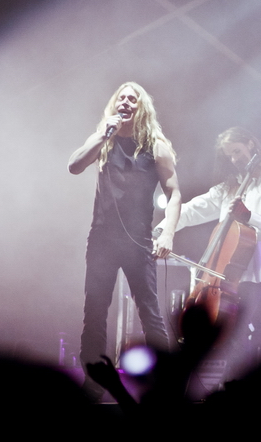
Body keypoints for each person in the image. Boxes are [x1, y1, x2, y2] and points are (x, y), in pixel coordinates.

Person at [69, 82, 181, 393]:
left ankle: (166, 383)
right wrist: (104, 134)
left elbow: (174, 194)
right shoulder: (102, 138)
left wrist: (168, 232)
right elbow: (74, 166)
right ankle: (93, 382)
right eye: (122, 97)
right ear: (115, 104)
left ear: (142, 107)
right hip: (102, 238)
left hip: (139, 241)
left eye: (134, 98)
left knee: (149, 310)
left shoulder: (156, 146)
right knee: (94, 311)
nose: (127, 101)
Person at [160, 127, 261, 368]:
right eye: (229, 155)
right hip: (224, 276)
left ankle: (232, 389)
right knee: (218, 337)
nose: (234, 159)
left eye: (237, 151)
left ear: (251, 145)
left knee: (237, 336)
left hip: (255, 274)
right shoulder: (230, 187)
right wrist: (162, 230)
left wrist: (250, 216)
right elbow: (192, 209)